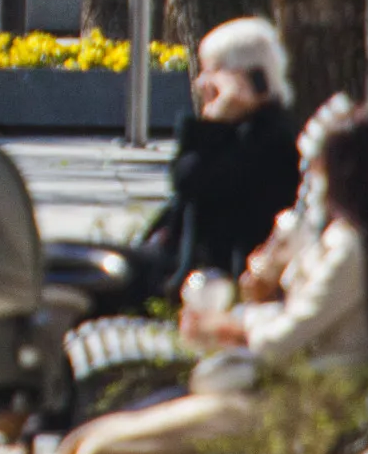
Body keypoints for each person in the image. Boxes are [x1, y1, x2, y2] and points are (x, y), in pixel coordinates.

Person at [52, 108, 368, 454]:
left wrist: (230, 324)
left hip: (296, 403)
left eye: (320, 163)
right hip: (275, 391)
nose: (312, 174)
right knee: (81, 440)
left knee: (98, 449)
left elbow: (281, 340)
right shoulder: (338, 239)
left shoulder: (350, 248)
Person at [99, 17, 302, 304]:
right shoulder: (239, 129)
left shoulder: (270, 139)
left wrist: (214, 121)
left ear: (244, 76)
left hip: (204, 283)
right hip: (179, 266)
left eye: (211, 71)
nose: (200, 83)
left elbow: (191, 181)